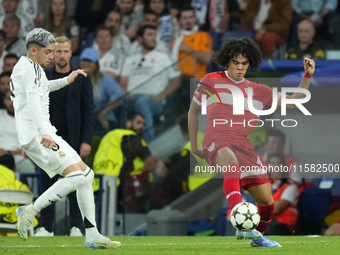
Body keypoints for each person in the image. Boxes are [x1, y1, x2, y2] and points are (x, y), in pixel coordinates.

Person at [188, 37, 315, 247]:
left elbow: (295, 102)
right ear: (227, 61)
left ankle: (257, 238)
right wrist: (194, 144)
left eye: (244, 63)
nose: (239, 68)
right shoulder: (210, 80)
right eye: (236, 63)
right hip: (217, 137)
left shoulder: (260, 90)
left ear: (250, 63)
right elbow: (193, 111)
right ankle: (242, 225)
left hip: (243, 144)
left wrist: (308, 76)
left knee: (267, 202)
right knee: (232, 166)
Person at [10, 28, 120, 249]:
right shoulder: (29, 70)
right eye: (49, 51)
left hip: (43, 132)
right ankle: (29, 211)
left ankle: (92, 234)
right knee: (77, 176)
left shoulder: (30, 67)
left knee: (87, 175)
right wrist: (45, 133)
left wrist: (65, 81)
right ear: (34, 50)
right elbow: (32, 103)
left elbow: (42, 89)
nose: (52, 56)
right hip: (38, 135)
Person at [34, 36, 94, 237]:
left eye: (65, 51)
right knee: (46, 182)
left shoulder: (82, 77)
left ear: (71, 53)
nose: (61, 55)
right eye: (57, 51)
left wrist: (86, 140)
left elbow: (88, 111)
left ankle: (76, 226)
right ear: (51, 53)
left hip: (74, 137)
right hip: (47, 136)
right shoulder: (43, 75)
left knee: (76, 182)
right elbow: (35, 109)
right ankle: (46, 227)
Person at [120, 25, 180, 142]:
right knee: (113, 103)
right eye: (149, 35)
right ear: (140, 39)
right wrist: (126, 93)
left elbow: (176, 81)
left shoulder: (164, 57)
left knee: (142, 102)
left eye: (154, 35)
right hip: (131, 97)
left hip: (153, 100)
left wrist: (161, 96)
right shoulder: (130, 59)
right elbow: (123, 82)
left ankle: (148, 144)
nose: (153, 38)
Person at [93, 112, 157, 213]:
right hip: (117, 184)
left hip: (99, 184)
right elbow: (146, 156)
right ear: (128, 124)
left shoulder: (110, 137)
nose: (142, 127)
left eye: (143, 124)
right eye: (139, 123)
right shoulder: (130, 136)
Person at [79, 47, 124, 130]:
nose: (86, 64)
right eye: (84, 60)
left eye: (90, 61)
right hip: (80, 119)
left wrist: (103, 112)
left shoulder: (104, 78)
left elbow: (119, 95)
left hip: (99, 120)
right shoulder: (73, 78)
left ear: (96, 65)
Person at [170, 6, 214, 80]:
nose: (188, 21)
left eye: (191, 17)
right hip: (177, 80)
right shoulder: (175, 41)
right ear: (179, 20)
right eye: (185, 18)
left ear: (195, 19)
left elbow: (207, 59)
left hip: (197, 81)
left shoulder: (203, 36)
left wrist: (188, 49)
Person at [265, 153, 303, 235]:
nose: (276, 166)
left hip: (284, 226)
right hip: (269, 223)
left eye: (279, 163)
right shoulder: (264, 186)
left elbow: (276, 210)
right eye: (272, 164)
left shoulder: (291, 187)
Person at [0, 90, 36, 174]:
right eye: (9, 99)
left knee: (29, 168)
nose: (12, 102)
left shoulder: (28, 118)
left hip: (20, 157)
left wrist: (14, 152)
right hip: (1, 155)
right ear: (4, 101)